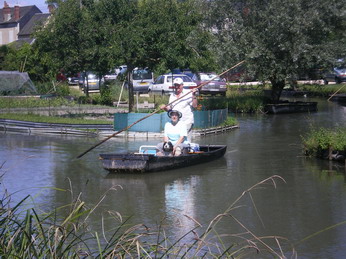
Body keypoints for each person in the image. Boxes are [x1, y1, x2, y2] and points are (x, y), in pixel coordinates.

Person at [160, 77, 198, 142]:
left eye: (178, 85)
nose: (177, 87)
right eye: (175, 85)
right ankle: (176, 150)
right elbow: (170, 110)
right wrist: (165, 108)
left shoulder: (188, 93)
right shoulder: (172, 96)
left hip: (187, 121)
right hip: (176, 122)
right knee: (177, 140)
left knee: (184, 140)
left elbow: (195, 106)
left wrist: (194, 95)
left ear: (182, 85)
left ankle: (184, 151)